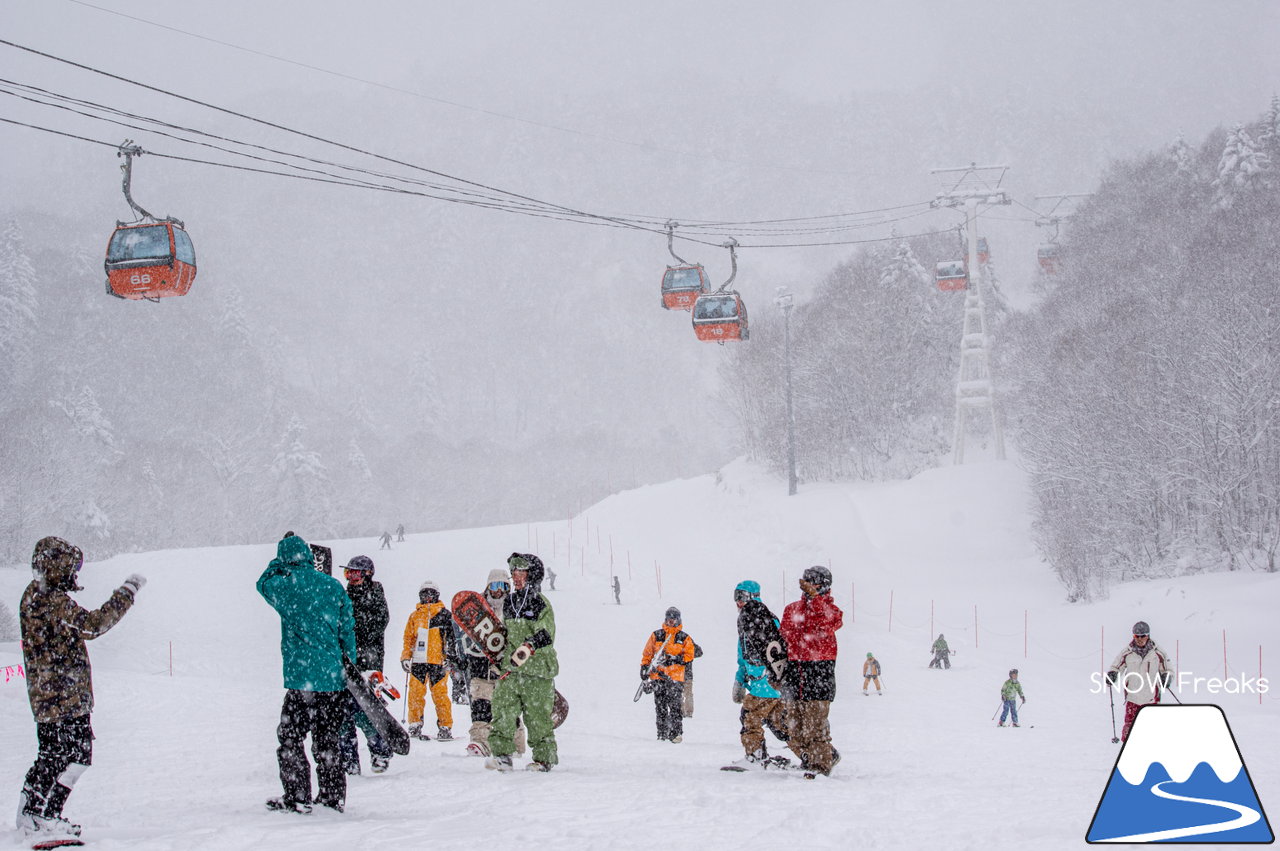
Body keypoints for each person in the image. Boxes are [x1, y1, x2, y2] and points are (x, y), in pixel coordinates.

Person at [16, 537, 145, 841]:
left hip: (46, 695)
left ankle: (30, 814)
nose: (75, 573)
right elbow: (92, 625)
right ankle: (45, 817)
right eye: (72, 567)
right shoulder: (53, 600)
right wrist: (126, 593)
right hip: (65, 696)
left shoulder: (34, 594)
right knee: (75, 756)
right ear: (58, 566)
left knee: (50, 754)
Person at [257, 532, 356, 814]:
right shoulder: (333, 586)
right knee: (328, 741)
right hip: (332, 679)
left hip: (302, 680)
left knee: (290, 736)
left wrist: (277, 563)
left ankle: (298, 796)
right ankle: (332, 798)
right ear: (310, 557)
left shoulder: (284, 586)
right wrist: (348, 664)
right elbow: (347, 630)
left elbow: (262, 584)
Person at [487, 553, 559, 772]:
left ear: (532, 574)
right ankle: (502, 755)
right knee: (502, 709)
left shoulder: (539, 603)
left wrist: (530, 645)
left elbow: (547, 633)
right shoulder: (509, 602)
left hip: (537, 670)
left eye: (520, 572)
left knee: (537, 717)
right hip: (512, 670)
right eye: (513, 572)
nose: (515, 577)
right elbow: (506, 633)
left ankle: (543, 758)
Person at [779, 565, 843, 779]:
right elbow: (783, 640)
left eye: (814, 582)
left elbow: (825, 622)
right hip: (794, 671)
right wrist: (776, 672)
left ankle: (819, 765)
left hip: (819, 670)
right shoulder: (791, 609)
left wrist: (816, 599)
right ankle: (819, 756)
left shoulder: (831, 611)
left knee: (815, 724)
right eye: (807, 581)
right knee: (791, 726)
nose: (809, 586)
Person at [461, 568, 526, 758]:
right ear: (488, 587)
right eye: (495, 586)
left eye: (503, 586)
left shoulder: (513, 609)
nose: (498, 591)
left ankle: (514, 744)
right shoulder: (477, 610)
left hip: (505, 670)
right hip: (481, 668)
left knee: (508, 709)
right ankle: (480, 742)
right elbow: (465, 638)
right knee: (481, 707)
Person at [729, 580, 790, 769]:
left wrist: (767, 676)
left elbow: (773, 652)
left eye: (741, 597)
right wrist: (739, 680)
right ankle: (812, 753)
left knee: (750, 717)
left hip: (766, 683)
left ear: (753, 597)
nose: (738, 602)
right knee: (780, 725)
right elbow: (744, 657)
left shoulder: (762, 619)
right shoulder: (747, 620)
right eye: (736, 597)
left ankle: (755, 757)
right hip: (762, 683)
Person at [339, 555, 392, 774]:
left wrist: (355, 629)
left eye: (356, 573)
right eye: (348, 573)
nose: (351, 577)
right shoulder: (343, 594)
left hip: (367, 659)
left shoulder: (375, 592)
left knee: (363, 708)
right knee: (341, 711)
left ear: (367, 574)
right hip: (346, 660)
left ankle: (379, 749)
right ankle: (348, 758)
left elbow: (380, 621)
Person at [400, 580, 459, 740]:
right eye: (424, 594)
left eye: (431, 594)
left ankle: (445, 726)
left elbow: (452, 639)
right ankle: (414, 724)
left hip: (438, 660)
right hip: (418, 661)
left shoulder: (445, 615)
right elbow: (408, 639)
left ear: (436, 595)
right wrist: (406, 657)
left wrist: (450, 658)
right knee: (415, 693)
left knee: (440, 695)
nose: (427, 597)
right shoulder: (414, 616)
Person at [1107, 620, 1170, 742]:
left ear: (1148, 636)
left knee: (1151, 730)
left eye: (1143, 636)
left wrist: (1166, 677)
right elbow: (1116, 666)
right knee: (1129, 729)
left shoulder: (1158, 652)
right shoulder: (1127, 652)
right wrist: (1113, 674)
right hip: (1133, 697)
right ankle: (1128, 751)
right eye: (1137, 636)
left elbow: (1167, 669)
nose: (1140, 639)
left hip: (1151, 698)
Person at [640, 607, 696, 743]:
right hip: (658, 677)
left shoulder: (684, 637)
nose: (671, 621)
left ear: (678, 620)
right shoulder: (656, 635)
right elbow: (647, 653)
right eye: (669, 618)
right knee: (660, 707)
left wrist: (676, 659)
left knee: (675, 706)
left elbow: (690, 655)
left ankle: (675, 733)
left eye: (674, 618)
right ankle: (662, 733)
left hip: (675, 678)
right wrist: (644, 667)